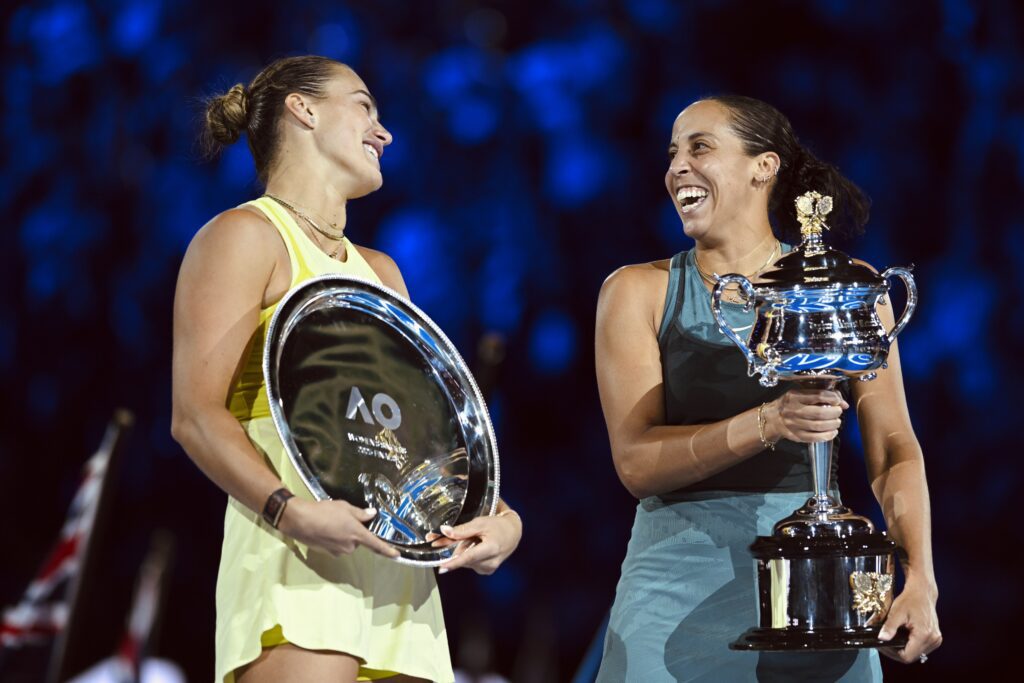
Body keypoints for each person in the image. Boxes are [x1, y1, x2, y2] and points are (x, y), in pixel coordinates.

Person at [170, 55, 522, 683]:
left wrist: (495, 517)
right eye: (364, 106)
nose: (383, 132)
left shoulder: (382, 274)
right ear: (302, 110)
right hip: (300, 561)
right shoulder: (243, 236)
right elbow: (195, 415)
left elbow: (414, 440)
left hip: (401, 588)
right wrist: (288, 510)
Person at [593, 95, 941, 681]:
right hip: (674, 584)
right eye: (673, 153)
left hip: (822, 586)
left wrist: (922, 578)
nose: (677, 167)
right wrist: (768, 423)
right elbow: (635, 464)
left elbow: (894, 447)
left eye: (700, 147)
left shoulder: (845, 289)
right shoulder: (637, 291)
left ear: (765, 166)